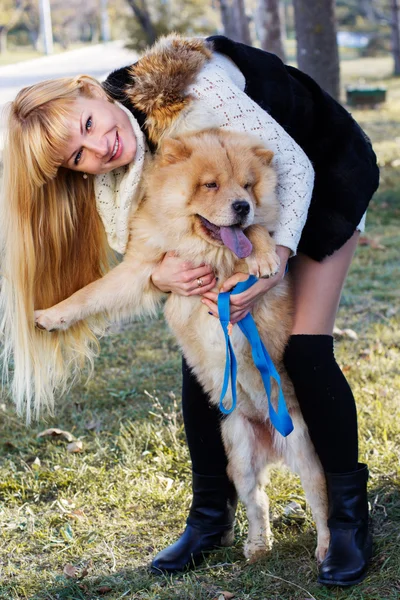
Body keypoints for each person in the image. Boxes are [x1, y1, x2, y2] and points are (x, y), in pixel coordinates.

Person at [0, 35, 379, 586]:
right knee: (205, 347)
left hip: (315, 178)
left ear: (92, 91)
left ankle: (346, 520)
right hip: (234, 211)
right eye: (76, 157)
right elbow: (139, 256)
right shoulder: (111, 176)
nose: (97, 149)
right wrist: (160, 274)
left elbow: (294, 169)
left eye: (87, 126)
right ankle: (210, 518)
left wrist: (273, 265)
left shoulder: (194, 93)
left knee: (305, 346)